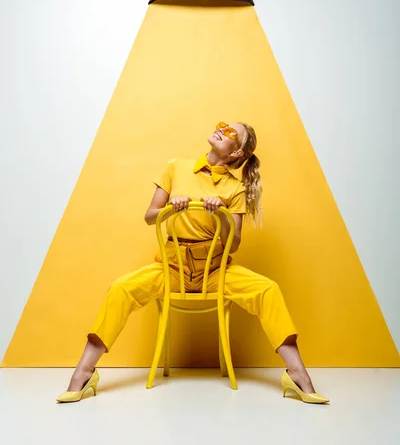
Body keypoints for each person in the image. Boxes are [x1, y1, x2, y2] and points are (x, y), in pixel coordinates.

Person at [57, 121, 329, 404]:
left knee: (268, 289)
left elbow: (234, 242)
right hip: (171, 268)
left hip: (215, 272)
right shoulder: (176, 167)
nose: (222, 130)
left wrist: (222, 214)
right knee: (120, 288)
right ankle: (84, 372)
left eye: (231, 132)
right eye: (222, 125)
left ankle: (297, 375)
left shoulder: (235, 188)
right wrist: (169, 208)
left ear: (236, 153)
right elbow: (149, 216)